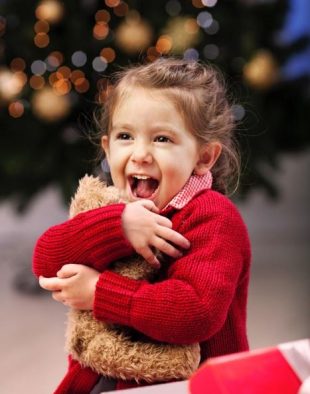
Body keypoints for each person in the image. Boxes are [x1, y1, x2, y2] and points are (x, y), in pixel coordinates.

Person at [33, 57, 251, 393]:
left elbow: (196, 312)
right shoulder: (109, 208)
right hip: (101, 378)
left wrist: (98, 292)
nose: (140, 154)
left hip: (189, 385)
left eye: (162, 139)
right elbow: (46, 260)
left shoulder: (213, 218)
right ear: (107, 146)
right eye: (125, 136)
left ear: (204, 156)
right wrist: (116, 228)